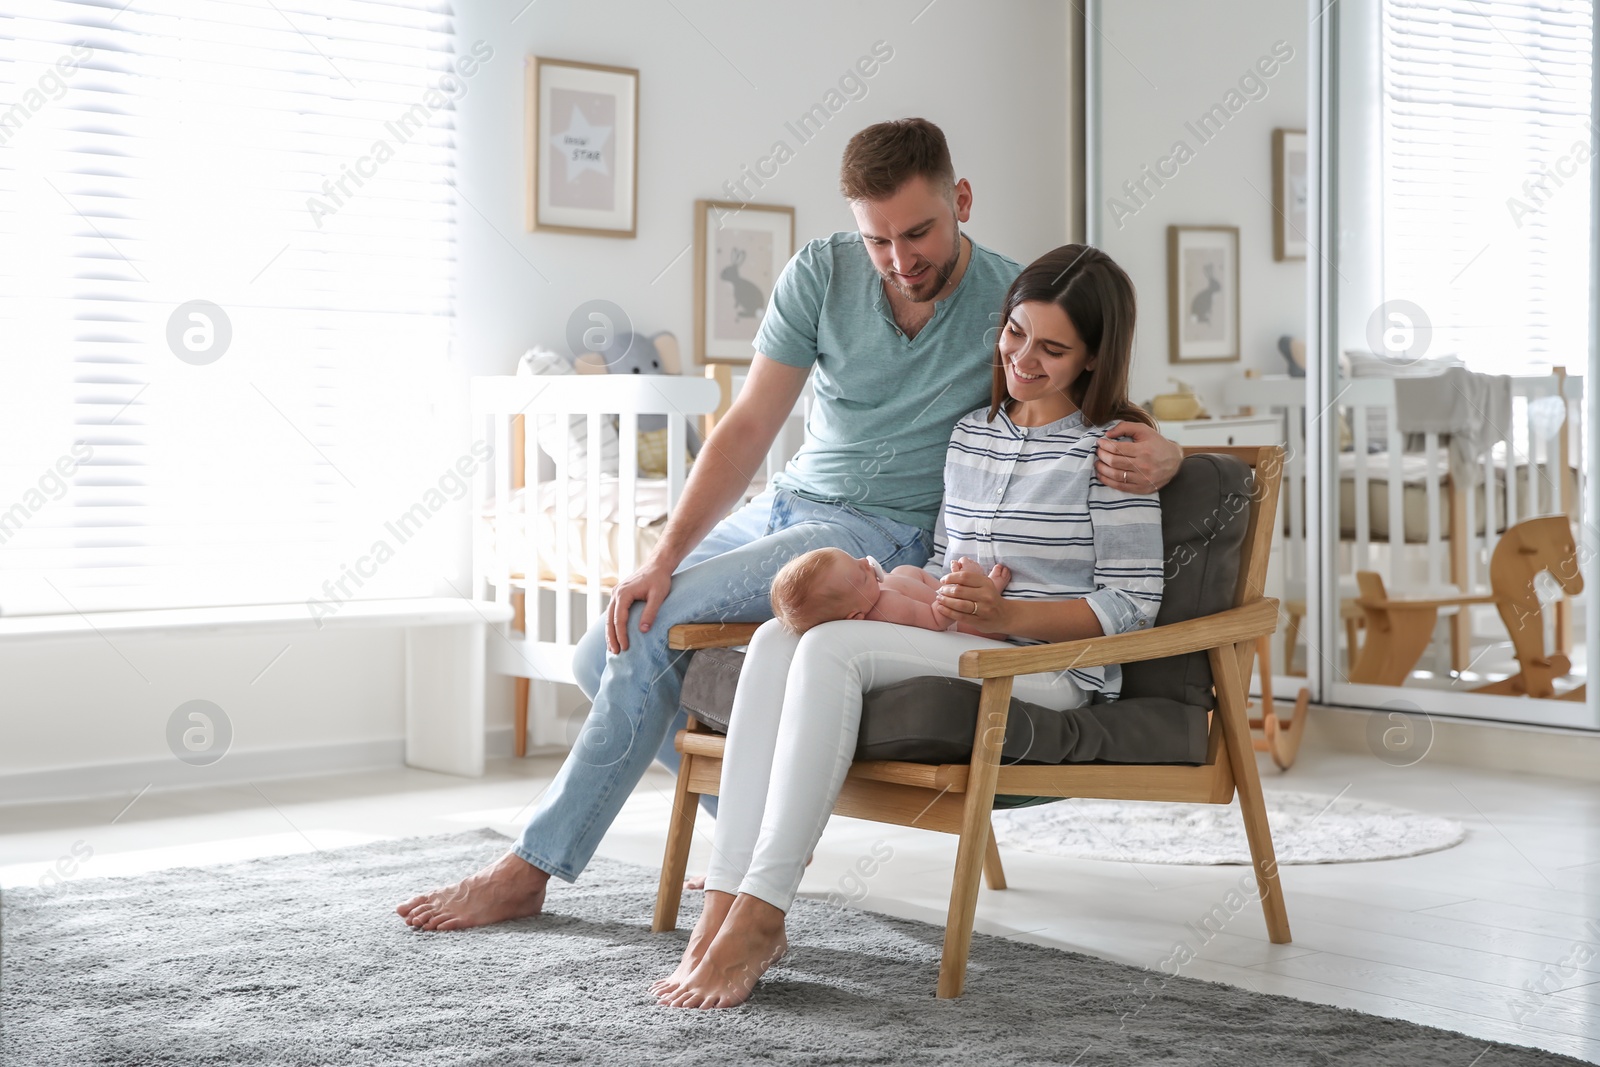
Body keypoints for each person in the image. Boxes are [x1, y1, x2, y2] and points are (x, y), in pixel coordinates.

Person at [395, 119, 1182, 934]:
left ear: (963, 202)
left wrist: (1167, 451)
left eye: (919, 232)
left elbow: (1089, 390)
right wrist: (665, 556)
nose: (902, 260)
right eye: (879, 239)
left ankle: (533, 867)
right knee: (610, 642)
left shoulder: (1012, 301)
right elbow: (745, 429)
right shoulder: (821, 274)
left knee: (656, 629)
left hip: (880, 540)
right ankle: (759, 839)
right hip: (784, 506)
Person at [653, 243, 1165, 1009]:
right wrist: (931, 588)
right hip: (966, 644)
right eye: (1016, 332)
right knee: (773, 636)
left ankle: (763, 912)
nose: (1023, 358)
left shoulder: (1117, 454)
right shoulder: (972, 436)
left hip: (1046, 670)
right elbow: (943, 558)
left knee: (829, 644)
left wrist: (1007, 615)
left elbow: (1131, 607)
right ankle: (722, 901)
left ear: (1094, 359)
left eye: (1053, 348)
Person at [769, 548, 1011, 638]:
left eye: (855, 559)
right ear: (855, 616)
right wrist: (965, 586)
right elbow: (938, 619)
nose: (866, 562)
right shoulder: (887, 607)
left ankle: (948, 585)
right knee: (904, 576)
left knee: (903, 571)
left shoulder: (868, 598)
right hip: (975, 627)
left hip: (929, 598)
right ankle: (987, 589)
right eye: (863, 576)